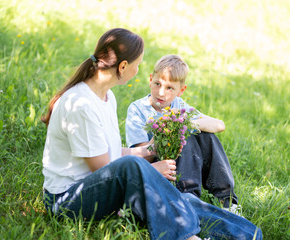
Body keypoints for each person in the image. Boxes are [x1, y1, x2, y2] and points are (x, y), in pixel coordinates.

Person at [41, 28, 262, 240]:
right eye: (137, 65)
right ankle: (187, 237)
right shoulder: (81, 104)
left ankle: (247, 235)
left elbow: (110, 152)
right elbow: (105, 169)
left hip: (97, 185)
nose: (137, 71)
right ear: (123, 66)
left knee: (177, 198)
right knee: (137, 171)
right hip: (67, 200)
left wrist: (150, 149)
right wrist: (150, 171)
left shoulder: (107, 97)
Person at [126, 54, 239, 212]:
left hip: (181, 162)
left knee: (205, 135)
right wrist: (166, 131)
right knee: (180, 133)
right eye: (157, 84)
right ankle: (188, 196)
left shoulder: (179, 105)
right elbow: (141, 153)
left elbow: (219, 125)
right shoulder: (138, 109)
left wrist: (187, 122)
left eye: (170, 88)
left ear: (181, 90)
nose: (161, 92)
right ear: (150, 79)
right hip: (157, 166)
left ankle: (227, 201)